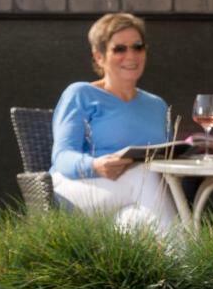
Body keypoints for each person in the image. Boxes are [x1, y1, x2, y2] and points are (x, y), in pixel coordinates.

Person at [51, 12, 177, 236]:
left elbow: (165, 155)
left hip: (137, 192)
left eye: (138, 47)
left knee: (138, 221)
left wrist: (209, 148)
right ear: (99, 56)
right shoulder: (81, 94)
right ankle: (187, 269)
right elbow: (62, 158)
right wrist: (95, 165)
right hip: (80, 187)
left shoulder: (156, 105)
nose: (131, 55)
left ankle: (147, 267)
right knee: (146, 176)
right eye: (120, 48)